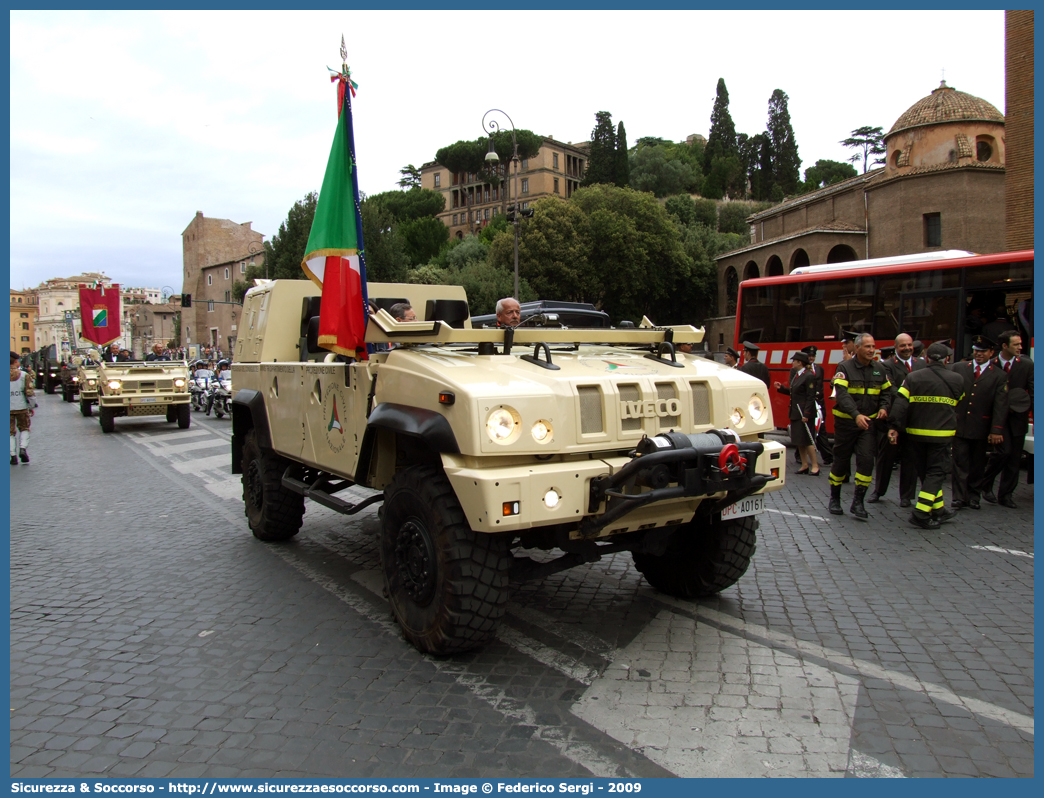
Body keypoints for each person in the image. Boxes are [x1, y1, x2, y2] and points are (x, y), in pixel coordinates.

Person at [888, 343, 965, 530]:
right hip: (941, 435)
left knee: (926, 473)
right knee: (936, 473)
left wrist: (893, 426)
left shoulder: (912, 377)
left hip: (916, 435)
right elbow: (960, 403)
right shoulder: (957, 379)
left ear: (927, 358)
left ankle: (938, 510)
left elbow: (900, 403)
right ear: (946, 359)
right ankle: (921, 513)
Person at [827, 333, 892, 519]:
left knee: (865, 461)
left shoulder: (879, 369)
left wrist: (884, 407)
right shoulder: (844, 368)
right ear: (857, 348)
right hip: (846, 424)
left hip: (868, 425)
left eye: (873, 346)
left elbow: (887, 391)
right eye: (867, 347)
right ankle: (835, 498)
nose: (872, 350)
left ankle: (858, 503)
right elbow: (842, 395)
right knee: (841, 461)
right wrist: (855, 415)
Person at [950, 336, 1007, 510]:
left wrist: (996, 429)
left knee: (977, 464)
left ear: (991, 353)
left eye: (982, 351)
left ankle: (974, 496)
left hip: (981, 426)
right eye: (976, 351)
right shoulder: (959, 368)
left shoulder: (998, 375)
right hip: (960, 424)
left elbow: (1000, 404)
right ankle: (959, 497)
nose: (978, 354)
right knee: (959, 462)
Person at [868, 333, 924, 507]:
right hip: (893, 420)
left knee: (911, 458)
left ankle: (906, 496)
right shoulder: (887, 366)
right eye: (903, 346)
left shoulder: (922, 364)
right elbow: (892, 390)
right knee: (886, 459)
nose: (907, 348)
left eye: (909, 345)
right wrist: (912, 398)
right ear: (896, 347)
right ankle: (879, 491)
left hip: (915, 420)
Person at [980, 330, 1033, 508]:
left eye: (1020, 344)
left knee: (1014, 458)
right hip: (996, 419)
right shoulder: (991, 364)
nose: (1020, 347)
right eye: (1016, 344)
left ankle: (1006, 494)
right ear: (1004, 346)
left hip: (1018, 418)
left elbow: (1033, 391)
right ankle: (986, 483)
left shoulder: (1026, 365)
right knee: (1003, 452)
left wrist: (1026, 408)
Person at [774, 352, 819, 475]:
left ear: (799, 362)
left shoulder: (809, 376)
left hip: (803, 413)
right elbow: (794, 393)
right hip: (795, 412)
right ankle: (804, 465)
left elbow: (810, 396)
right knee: (799, 440)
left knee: (808, 440)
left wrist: (807, 413)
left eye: (794, 360)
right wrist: (782, 388)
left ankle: (815, 465)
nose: (792, 362)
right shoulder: (797, 375)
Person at [802, 345, 832, 465]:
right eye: (809, 356)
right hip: (808, 403)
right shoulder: (802, 371)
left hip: (819, 403)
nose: (811, 358)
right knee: (806, 430)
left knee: (821, 429)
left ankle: (828, 456)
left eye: (813, 356)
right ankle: (800, 456)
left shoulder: (819, 369)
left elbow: (821, 386)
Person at [10, 351, 36, 465]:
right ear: (16, 361)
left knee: (9, 432)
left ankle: (12, 455)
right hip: (21, 406)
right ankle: (23, 448)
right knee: (24, 428)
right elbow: (29, 392)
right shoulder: (24, 375)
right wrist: (31, 406)